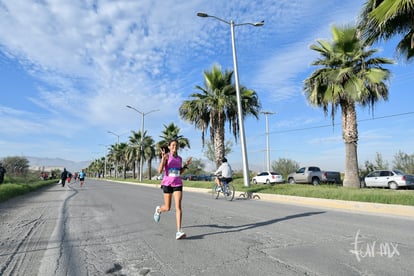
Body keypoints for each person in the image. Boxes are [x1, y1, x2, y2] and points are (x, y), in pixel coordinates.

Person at [153, 139, 192, 240]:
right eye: (173, 145)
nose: (175, 147)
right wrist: (163, 159)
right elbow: (159, 170)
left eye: (176, 145)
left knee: (178, 206)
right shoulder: (166, 156)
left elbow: (179, 171)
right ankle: (158, 210)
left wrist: (186, 165)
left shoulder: (179, 158)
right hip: (167, 184)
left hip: (178, 183)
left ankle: (179, 231)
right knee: (167, 207)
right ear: (169, 147)